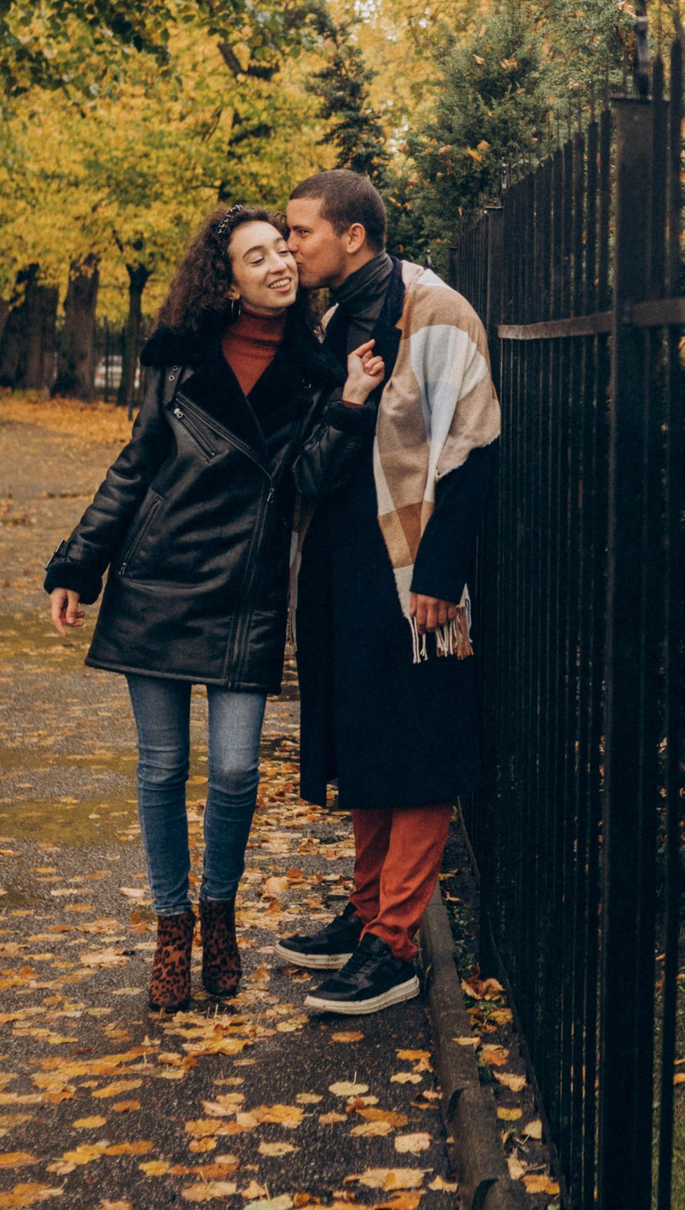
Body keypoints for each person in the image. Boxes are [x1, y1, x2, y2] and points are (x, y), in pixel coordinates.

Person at [40, 206, 339, 1013]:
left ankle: (219, 909)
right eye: (256, 255)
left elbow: (314, 477)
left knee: (236, 769)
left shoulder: (317, 368)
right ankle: (173, 927)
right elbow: (135, 464)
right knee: (163, 767)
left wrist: (349, 406)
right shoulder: (177, 359)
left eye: (281, 248)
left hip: (245, 592)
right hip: (157, 582)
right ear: (227, 280)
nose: (279, 262)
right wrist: (78, 563)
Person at [272, 169, 501, 1018]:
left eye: (301, 231)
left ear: (352, 235)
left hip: (409, 564)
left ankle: (395, 943)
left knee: (419, 743)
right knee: (363, 734)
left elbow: (473, 445)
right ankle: (368, 909)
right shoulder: (335, 317)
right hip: (342, 559)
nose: (290, 247)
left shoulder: (436, 310)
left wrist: (442, 572)